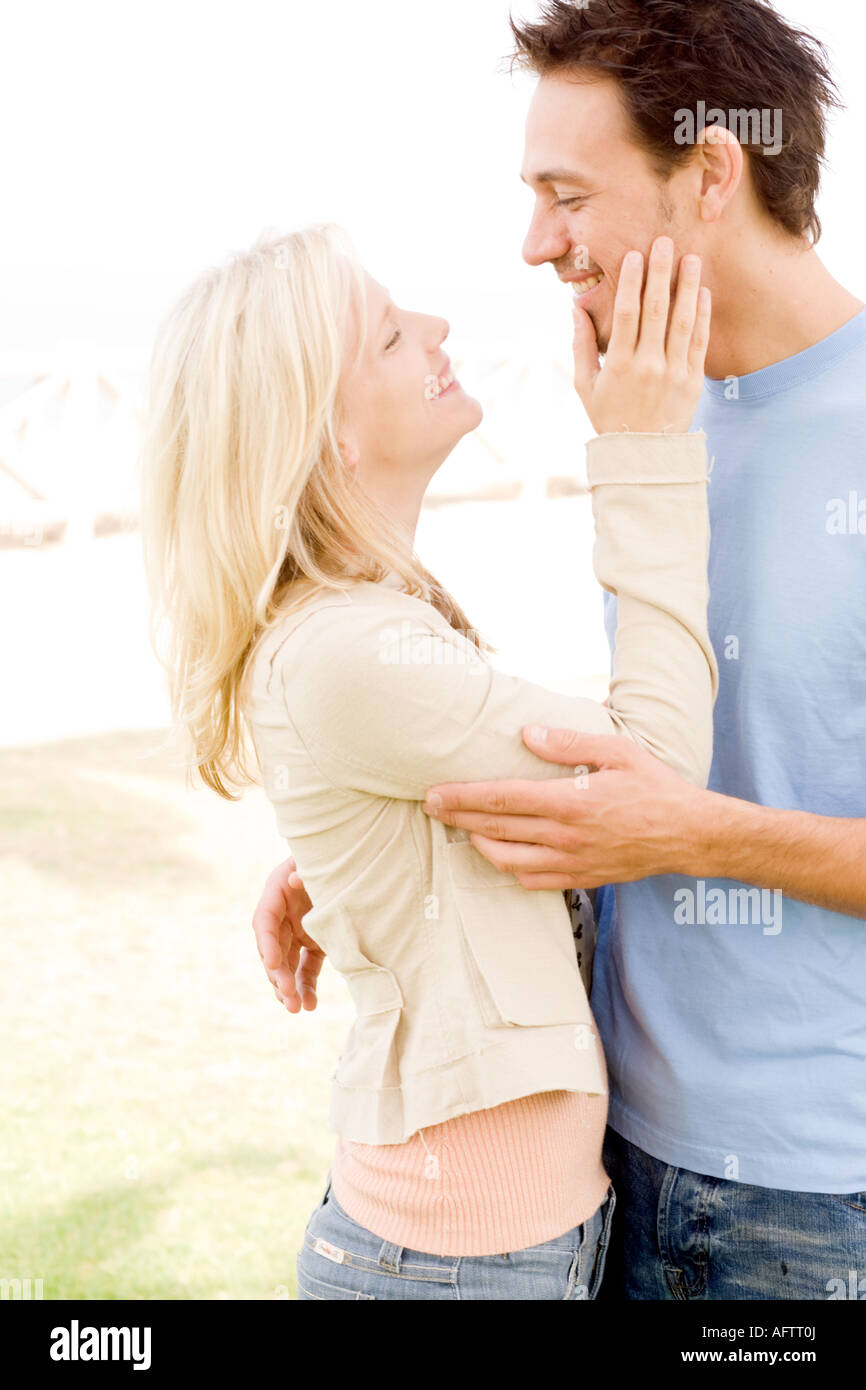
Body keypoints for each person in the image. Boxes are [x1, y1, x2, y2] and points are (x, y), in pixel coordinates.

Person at [256, 0, 866, 1301]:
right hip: (592, 1165)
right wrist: (413, 827)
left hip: (813, 1203)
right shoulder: (648, 412)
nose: (536, 245)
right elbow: (681, 720)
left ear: (711, 171)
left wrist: (696, 835)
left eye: (565, 195)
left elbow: (676, 798)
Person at [141, 217, 716, 1299]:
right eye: (391, 337)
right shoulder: (351, 648)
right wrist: (642, 453)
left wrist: (374, 868)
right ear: (328, 436)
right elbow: (652, 774)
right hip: (452, 1264)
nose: (438, 326)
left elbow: (458, 771)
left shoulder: (354, 630)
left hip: (476, 1252)